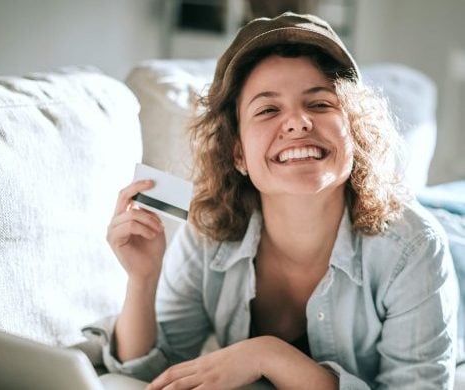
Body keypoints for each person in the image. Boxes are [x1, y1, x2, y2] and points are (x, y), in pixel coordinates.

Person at [104, 12, 459, 389]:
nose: (297, 122)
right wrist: (141, 281)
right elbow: (150, 375)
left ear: (353, 131)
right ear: (238, 153)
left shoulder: (415, 247)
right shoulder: (208, 234)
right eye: (268, 110)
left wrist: (268, 354)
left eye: (320, 104)